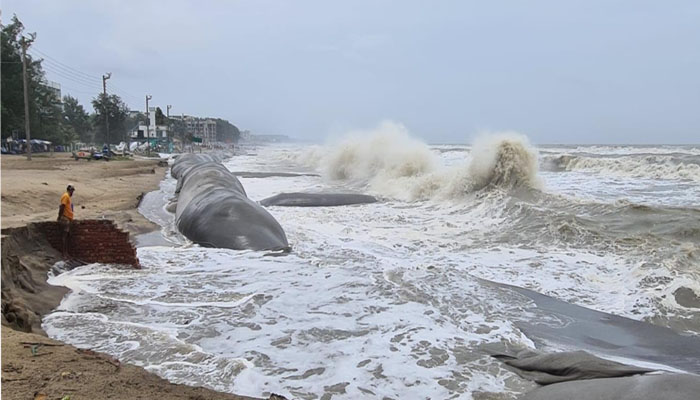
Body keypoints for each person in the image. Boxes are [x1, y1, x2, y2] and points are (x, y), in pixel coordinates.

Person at [57, 184, 75, 259]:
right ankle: (64, 254)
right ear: (69, 190)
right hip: (65, 218)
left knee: (67, 236)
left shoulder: (67, 197)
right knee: (64, 236)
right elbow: (62, 206)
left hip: (68, 218)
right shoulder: (66, 196)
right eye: (72, 191)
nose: (72, 193)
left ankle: (66, 253)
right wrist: (59, 216)